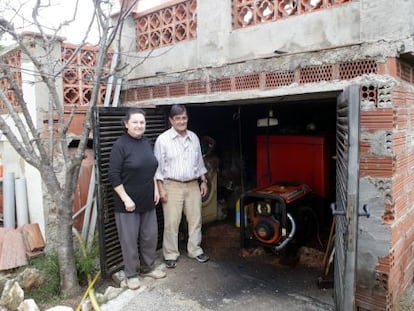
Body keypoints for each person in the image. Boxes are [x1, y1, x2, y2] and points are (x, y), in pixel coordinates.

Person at [108, 108, 166, 290]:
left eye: (142, 122)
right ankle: (131, 274)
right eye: (135, 122)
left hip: (148, 198)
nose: (139, 125)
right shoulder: (120, 145)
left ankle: (148, 267)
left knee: (150, 237)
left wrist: (156, 188)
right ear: (126, 124)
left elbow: (151, 169)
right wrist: (126, 199)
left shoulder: (147, 143)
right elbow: (113, 175)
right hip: (128, 203)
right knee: (129, 240)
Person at [154, 104, 210, 269]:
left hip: (193, 184)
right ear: (171, 120)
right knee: (172, 222)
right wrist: (161, 188)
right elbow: (158, 168)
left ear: (187, 118)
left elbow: (199, 162)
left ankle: (195, 249)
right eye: (177, 118)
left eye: (184, 118)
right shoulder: (163, 140)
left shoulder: (193, 137)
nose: (181, 121)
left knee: (195, 219)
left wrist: (204, 180)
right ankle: (170, 254)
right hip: (172, 185)